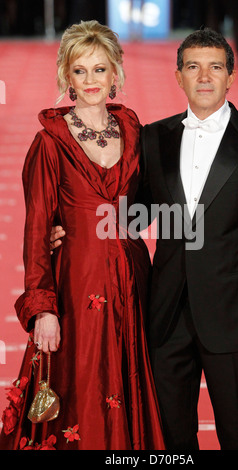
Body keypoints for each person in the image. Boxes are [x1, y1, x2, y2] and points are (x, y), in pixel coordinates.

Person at [0, 20, 165, 450]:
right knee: (78, 396)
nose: (90, 80)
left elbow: (149, 207)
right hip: (76, 289)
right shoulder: (49, 143)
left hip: (132, 285)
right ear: (66, 76)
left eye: (99, 69)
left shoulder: (133, 131)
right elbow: (36, 233)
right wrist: (43, 309)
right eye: (80, 70)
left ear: (115, 73)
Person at [138, 28, 238, 450]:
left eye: (215, 67)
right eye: (193, 67)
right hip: (166, 316)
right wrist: (77, 227)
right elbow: (132, 216)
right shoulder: (153, 138)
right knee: (172, 441)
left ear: (231, 77)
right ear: (178, 76)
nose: (204, 76)